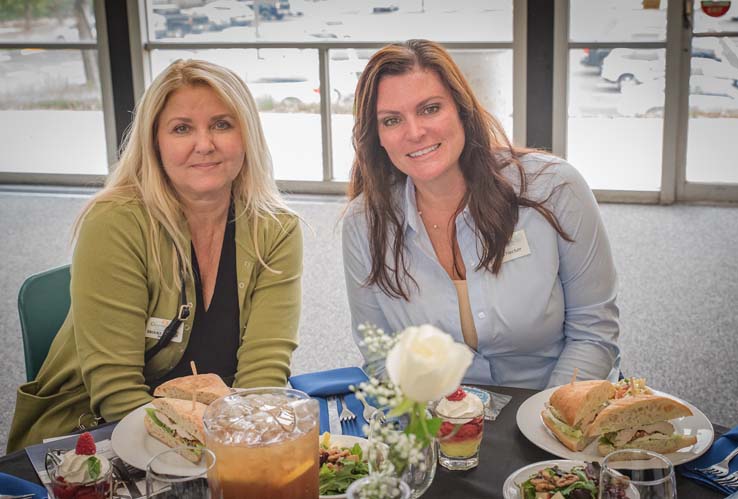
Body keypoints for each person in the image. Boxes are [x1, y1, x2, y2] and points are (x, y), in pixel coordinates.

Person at [7, 60, 302, 451]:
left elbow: (264, 374)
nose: (205, 144)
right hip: (92, 436)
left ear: (246, 135)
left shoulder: (277, 229)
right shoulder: (115, 223)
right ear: (155, 142)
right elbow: (116, 392)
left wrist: (239, 451)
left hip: (222, 436)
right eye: (182, 128)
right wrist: (204, 457)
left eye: (222, 124)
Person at [343, 40, 620, 390]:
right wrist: (438, 428)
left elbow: (593, 331)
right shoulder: (364, 223)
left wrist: (546, 423)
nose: (414, 133)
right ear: (377, 136)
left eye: (430, 109)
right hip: (439, 420)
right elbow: (380, 354)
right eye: (392, 120)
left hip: (556, 403)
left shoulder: (554, 187)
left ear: (462, 109)